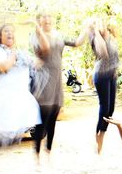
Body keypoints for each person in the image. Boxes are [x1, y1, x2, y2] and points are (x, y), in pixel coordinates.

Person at [30, 13, 84, 161]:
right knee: (43, 116)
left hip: (56, 80)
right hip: (44, 80)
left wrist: (88, 29)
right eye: (44, 19)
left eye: (49, 18)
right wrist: (40, 30)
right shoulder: (36, 36)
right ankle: (37, 152)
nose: (47, 21)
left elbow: (76, 43)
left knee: (54, 114)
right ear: (39, 22)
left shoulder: (58, 35)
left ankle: (48, 151)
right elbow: (44, 50)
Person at [0, 24, 41, 147]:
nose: (10, 33)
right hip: (5, 99)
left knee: (35, 115)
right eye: (6, 31)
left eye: (12, 31)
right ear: (0, 36)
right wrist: (14, 54)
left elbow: (36, 64)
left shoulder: (18, 53)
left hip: (19, 99)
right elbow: (4, 67)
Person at [77, 18, 119, 154]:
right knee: (104, 106)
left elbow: (115, 57)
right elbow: (104, 53)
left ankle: (102, 133)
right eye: (98, 24)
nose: (101, 25)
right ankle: (99, 134)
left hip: (112, 75)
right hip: (101, 75)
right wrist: (96, 32)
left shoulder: (111, 37)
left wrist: (116, 71)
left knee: (111, 109)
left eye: (102, 23)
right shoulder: (96, 39)